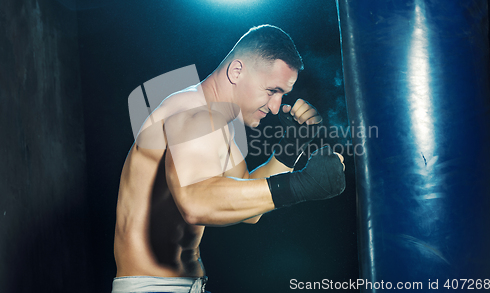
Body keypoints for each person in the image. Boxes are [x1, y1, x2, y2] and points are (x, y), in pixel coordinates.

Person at [112, 25, 346, 293]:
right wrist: (302, 184)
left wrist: (290, 146)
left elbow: (248, 206)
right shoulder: (194, 113)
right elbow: (196, 202)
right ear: (237, 71)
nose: (274, 106)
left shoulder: (215, 122)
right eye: (271, 90)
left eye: (282, 95)